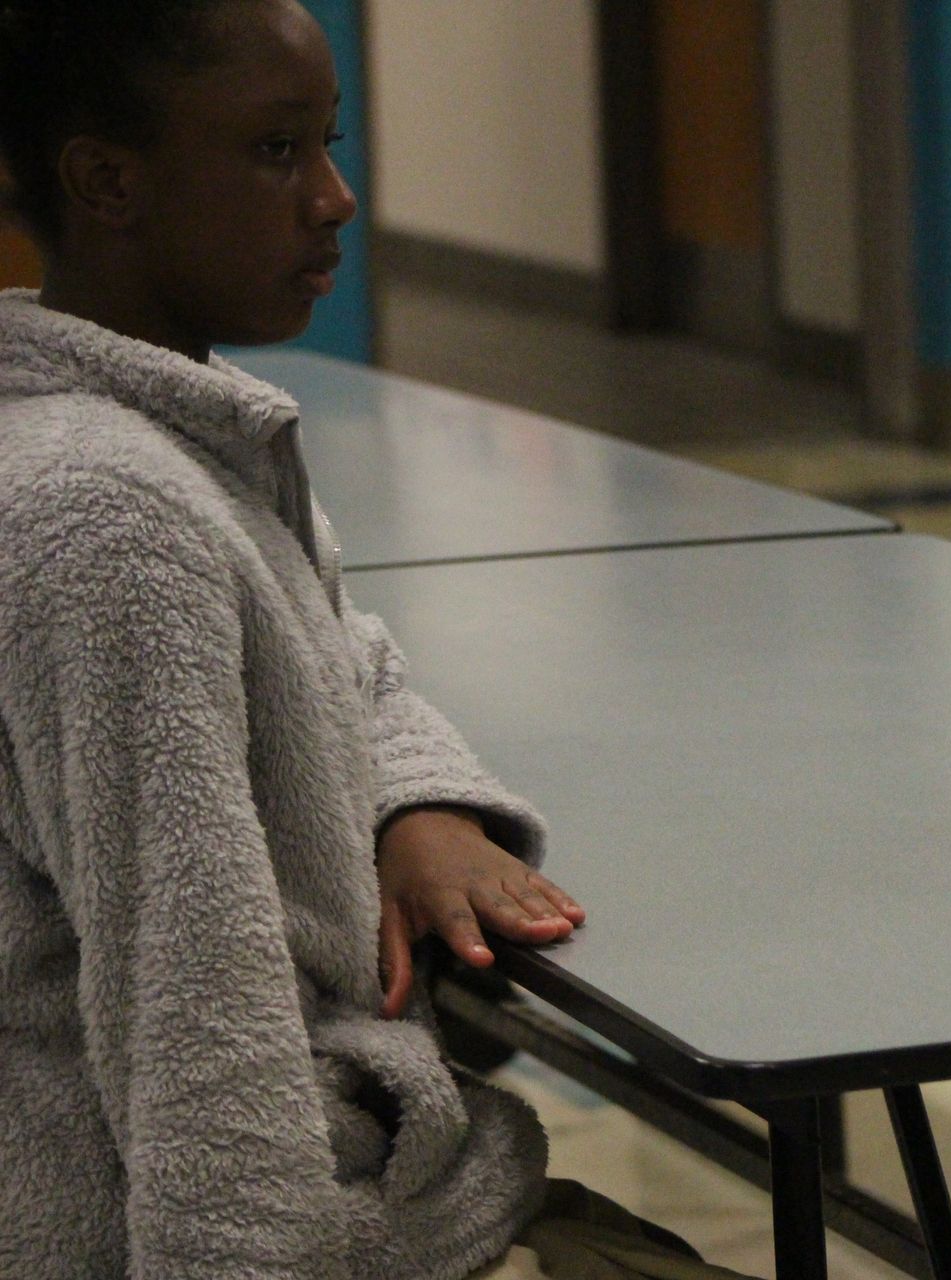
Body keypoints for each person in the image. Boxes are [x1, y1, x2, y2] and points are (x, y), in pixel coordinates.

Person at [0, 2, 751, 1277]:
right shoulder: (112, 515)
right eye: (276, 151)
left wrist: (416, 804)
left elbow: (350, 659)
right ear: (108, 181)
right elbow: (198, 1036)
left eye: (327, 143)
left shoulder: (159, 437)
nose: (335, 198)